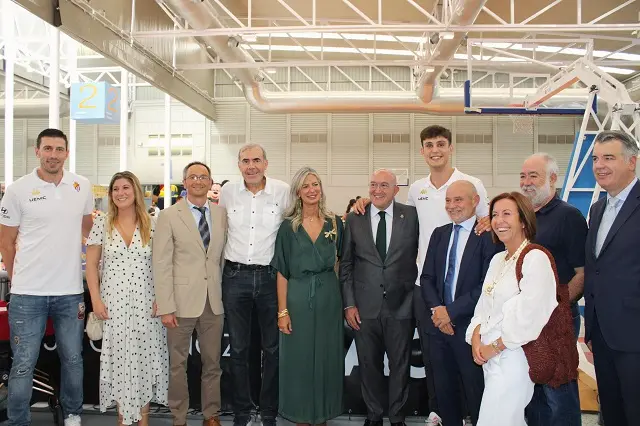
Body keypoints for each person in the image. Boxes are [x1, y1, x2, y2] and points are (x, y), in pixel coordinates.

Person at [352, 125, 490, 423]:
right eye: (429, 145)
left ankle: (475, 414)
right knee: (433, 357)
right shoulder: (416, 189)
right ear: (422, 151)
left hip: (464, 288)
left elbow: (487, 222)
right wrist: (365, 201)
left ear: (450, 147)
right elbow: (397, 216)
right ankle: (440, 412)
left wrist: (490, 219)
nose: (435, 150)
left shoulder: (472, 184)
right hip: (425, 287)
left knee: (468, 357)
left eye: (440, 144)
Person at [0, 128, 94, 426]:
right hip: (28, 295)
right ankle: (18, 421)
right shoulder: (17, 190)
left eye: (59, 149)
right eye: (48, 148)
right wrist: (18, 280)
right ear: (37, 151)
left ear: (67, 153)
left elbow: (89, 230)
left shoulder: (82, 186)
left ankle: (73, 415)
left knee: (73, 359)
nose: (53, 155)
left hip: (70, 293)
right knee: (23, 364)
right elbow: (6, 243)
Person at [466, 192, 558, 426]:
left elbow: (530, 316)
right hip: (489, 357)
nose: (499, 221)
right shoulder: (498, 259)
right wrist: (476, 337)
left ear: (524, 220)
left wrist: (494, 347)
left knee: (494, 420)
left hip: (515, 357)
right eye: (495, 215)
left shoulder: (535, 258)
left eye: (507, 214)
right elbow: (483, 306)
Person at [85, 171, 169, 426]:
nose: (120, 193)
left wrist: (162, 298)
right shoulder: (102, 223)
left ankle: (143, 421)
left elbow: (163, 265)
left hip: (147, 304)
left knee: (144, 364)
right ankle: (123, 420)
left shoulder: (153, 224)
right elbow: (91, 266)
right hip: (114, 305)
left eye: (126, 188)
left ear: (136, 192)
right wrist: (96, 300)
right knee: (121, 364)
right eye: (116, 189)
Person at [340, 169, 420, 426]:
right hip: (364, 307)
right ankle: (373, 416)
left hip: (402, 305)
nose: (377, 190)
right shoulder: (355, 219)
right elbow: (346, 265)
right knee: (368, 365)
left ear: (396, 190)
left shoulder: (413, 216)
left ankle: (397, 418)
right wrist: (349, 304)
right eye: (373, 184)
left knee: (400, 366)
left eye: (384, 185)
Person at [218, 144, 289, 426]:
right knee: (238, 349)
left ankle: (269, 411)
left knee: (272, 349)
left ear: (266, 163)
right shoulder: (228, 192)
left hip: (270, 278)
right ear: (238, 165)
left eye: (256, 160)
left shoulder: (282, 191)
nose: (251, 166)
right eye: (245, 161)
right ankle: (243, 412)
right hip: (235, 278)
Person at [420, 181, 501, 426]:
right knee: (445, 394)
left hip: (471, 329)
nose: (452, 206)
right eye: (448, 200)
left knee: (476, 393)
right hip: (439, 327)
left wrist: (451, 312)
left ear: (475, 201)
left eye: (458, 200)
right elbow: (427, 278)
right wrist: (439, 311)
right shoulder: (439, 234)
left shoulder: (488, 236)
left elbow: (487, 285)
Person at [153, 161, 228, 426]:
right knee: (178, 365)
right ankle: (179, 417)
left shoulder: (221, 214)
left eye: (203, 176)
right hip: (180, 304)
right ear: (184, 183)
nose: (198, 181)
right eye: (192, 177)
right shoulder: (169, 216)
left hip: (213, 302)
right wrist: (166, 306)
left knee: (213, 364)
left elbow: (220, 258)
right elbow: (161, 263)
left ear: (210, 182)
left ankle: (211, 415)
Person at [271, 167, 344, 425]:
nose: (312, 190)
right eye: (306, 185)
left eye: (315, 184)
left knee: (327, 358)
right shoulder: (287, 227)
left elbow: (342, 261)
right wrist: (283, 311)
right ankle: (300, 414)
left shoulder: (335, 223)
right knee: (298, 359)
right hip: (298, 299)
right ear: (298, 192)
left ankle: (323, 414)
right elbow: (282, 272)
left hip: (329, 299)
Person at [519, 153, 585, 426]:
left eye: (533, 176)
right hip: (527, 320)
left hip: (557, 320)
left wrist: (557, 308)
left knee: (558, 393)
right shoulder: (522, 218)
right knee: (533, 396)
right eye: (523, 176)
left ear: (553, 178)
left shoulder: (569, 216)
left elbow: (582, 273)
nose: (526, 182)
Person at [584, 130, 640, 426]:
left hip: (634, 335)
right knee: (612, 412)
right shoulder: (598, 209)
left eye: (608, 158)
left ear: (632, 162)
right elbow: (596, 268)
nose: (599, 166)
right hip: (603, 335)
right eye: (595, 159)